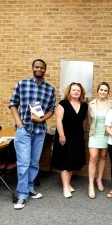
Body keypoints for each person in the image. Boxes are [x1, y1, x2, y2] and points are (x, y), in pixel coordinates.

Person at [9, 59, 56, 210]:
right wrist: (19, 123)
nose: (39, 69)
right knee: (23, 163)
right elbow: (13, 104)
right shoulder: (22, 84)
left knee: (34, 162)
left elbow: (51, 109)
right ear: (32, 68)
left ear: (45, 70)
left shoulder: (50, 89)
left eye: (42, 67)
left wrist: (42, 119)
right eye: (37, 67)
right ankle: (22, 195)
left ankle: (29, 188)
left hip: (39, 131)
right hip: (24, 130)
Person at [52, 82, 88, 198]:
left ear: (81, 92)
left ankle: (68, 183)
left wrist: (82, 134)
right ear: (69, 91)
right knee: (64, 161)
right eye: (74, 90)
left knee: (73, 161)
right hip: (65, 136)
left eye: (78, 90)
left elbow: (84, 122)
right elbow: (58, 120)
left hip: (77, 137)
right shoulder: (63, 104)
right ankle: (65, 187)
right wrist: (62, 136)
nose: (76, 92)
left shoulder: (84, 105)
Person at [87, 82, 112, 199]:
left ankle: (99, 179)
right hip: (94, 133)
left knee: (103, 156)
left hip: (106, 134)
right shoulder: (91, 103)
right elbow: (88, 120)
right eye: (101, 89)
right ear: (98, 90)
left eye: (105, 90)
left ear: (108, 92)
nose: (103, 92)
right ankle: (91, 184)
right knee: (93, 157)